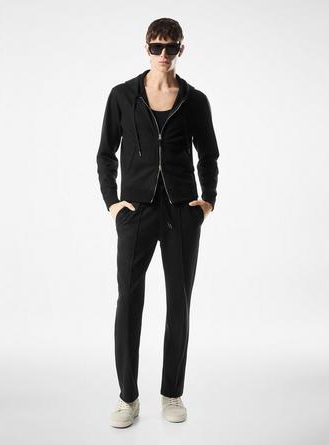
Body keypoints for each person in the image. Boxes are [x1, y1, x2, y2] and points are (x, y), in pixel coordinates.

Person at [96, 17, 219, 428]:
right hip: (136, 211)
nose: (163, 54)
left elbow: (209, 155)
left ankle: (172, 393)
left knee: (179, 302)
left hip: (181, 210)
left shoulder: (195, 100)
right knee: (128, 300)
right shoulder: (122, 96)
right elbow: (105, 154)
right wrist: (113, 204)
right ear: (146, 47)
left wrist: (207, 202)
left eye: (171, 47)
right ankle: (127, 398)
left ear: (181, 49)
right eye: (156, 46)